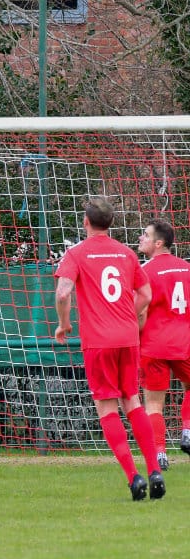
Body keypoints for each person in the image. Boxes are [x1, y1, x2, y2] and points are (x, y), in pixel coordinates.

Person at [54, 199, 164, 501]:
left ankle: (134, 478)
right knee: (133, 401)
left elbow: (63, 293)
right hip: (128, 337)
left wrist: (64, 324)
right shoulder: (126, 253)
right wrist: (128, 315)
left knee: (107, 407)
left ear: (86, 222)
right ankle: (155, 470)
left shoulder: (76, 253)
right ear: (111, 223)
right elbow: (145, 294)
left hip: (99, 341)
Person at [136, 219, 190, 470]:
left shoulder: (144, 271)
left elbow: (141, 312)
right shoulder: (187, 269)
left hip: (153, 344)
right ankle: (187, 430)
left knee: (154, 404)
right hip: (184, 342)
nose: (141, 238)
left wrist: (136, 337)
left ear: (159, 243)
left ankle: (159, 454)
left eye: (146, 235)